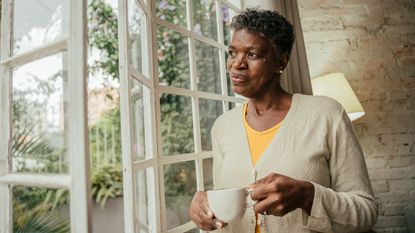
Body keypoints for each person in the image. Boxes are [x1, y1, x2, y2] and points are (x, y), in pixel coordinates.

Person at [188, 7, 378, 233]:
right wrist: (204, 209)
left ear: (281, 62)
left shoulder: (328, 114)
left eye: (252, 54)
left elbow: (366, 211)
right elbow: (223, 212)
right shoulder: (222, 127)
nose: (236, 63)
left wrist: (309, 196)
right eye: (232, 53)